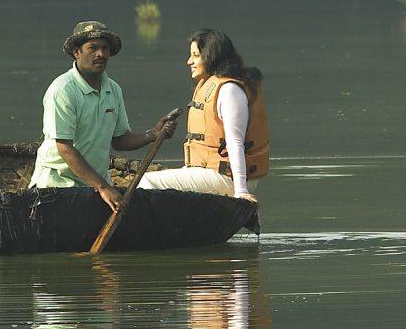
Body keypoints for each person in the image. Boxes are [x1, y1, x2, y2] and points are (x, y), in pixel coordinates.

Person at [139, 28, 268, 203]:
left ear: (211, 56)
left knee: (145, 181)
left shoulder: (229, 90)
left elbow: (235, 142)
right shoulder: (210, 85)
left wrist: (241, 192)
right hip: (213, 173)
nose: (189, 61)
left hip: (230, 177)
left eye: (195, 55)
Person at [34, 20, 144, 210]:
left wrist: (153, 134)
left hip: (94, 185)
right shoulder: (63, 90)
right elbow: (65, 149)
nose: (100, 54)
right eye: (92, 48)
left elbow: (119, 140)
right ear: (77, 52)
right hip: (58, 186)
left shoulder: (113, 89)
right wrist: (103, 187)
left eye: (104, 48)